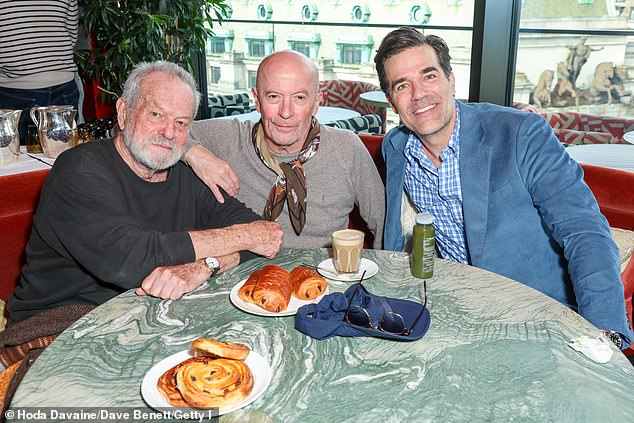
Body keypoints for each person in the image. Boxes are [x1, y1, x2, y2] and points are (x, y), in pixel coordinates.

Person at [374, 27, 633, 349]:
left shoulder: (521, 133)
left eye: (429, 76)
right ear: (391, 100)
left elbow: (584, 231)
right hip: (453, 309)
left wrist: (604, 332)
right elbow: (401, 234)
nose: (418, 94)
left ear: (451, 81)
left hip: (537, 316)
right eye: (402, 85)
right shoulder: (396, 147)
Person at [6, 61, 283, 325]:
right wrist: (246, 237)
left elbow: (264, 238)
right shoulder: (79, 170)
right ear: (124, 113)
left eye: (181, 123)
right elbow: (134, 260)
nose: (168, 132)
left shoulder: (188, 175)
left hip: (148, 319)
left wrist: (205, 266)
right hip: (59, 326)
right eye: (156, 114)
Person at [183, 50, 385, 249]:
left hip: (324, 275)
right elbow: (162, 131)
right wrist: (195, 153)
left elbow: (384, 225)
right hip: (246, 275)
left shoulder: (347, 149)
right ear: (257, 100)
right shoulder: (230, 138)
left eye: (299, 98)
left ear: (316, 103)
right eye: (273, 97)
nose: (286, 112)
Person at [0, 0, 82, 144]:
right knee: (63, 153)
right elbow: (72, 33)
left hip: (15, 86)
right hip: (62, 80)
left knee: (17, 158)